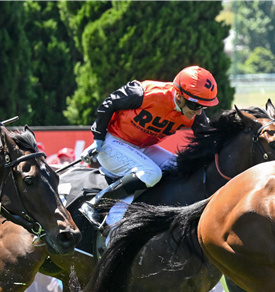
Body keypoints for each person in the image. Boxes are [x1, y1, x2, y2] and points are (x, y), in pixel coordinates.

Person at [79, 66, 217, 231]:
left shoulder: (194, 112)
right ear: (179, 96)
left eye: (204, 106)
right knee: (151, 173)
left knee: (179, 168)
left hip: (141, 148)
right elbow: (110, 103)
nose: (199, 112)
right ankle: (96, 204)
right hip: (112, 142)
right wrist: (98, 139)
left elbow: (210, 139)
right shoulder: (146, 93)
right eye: (196, 106)